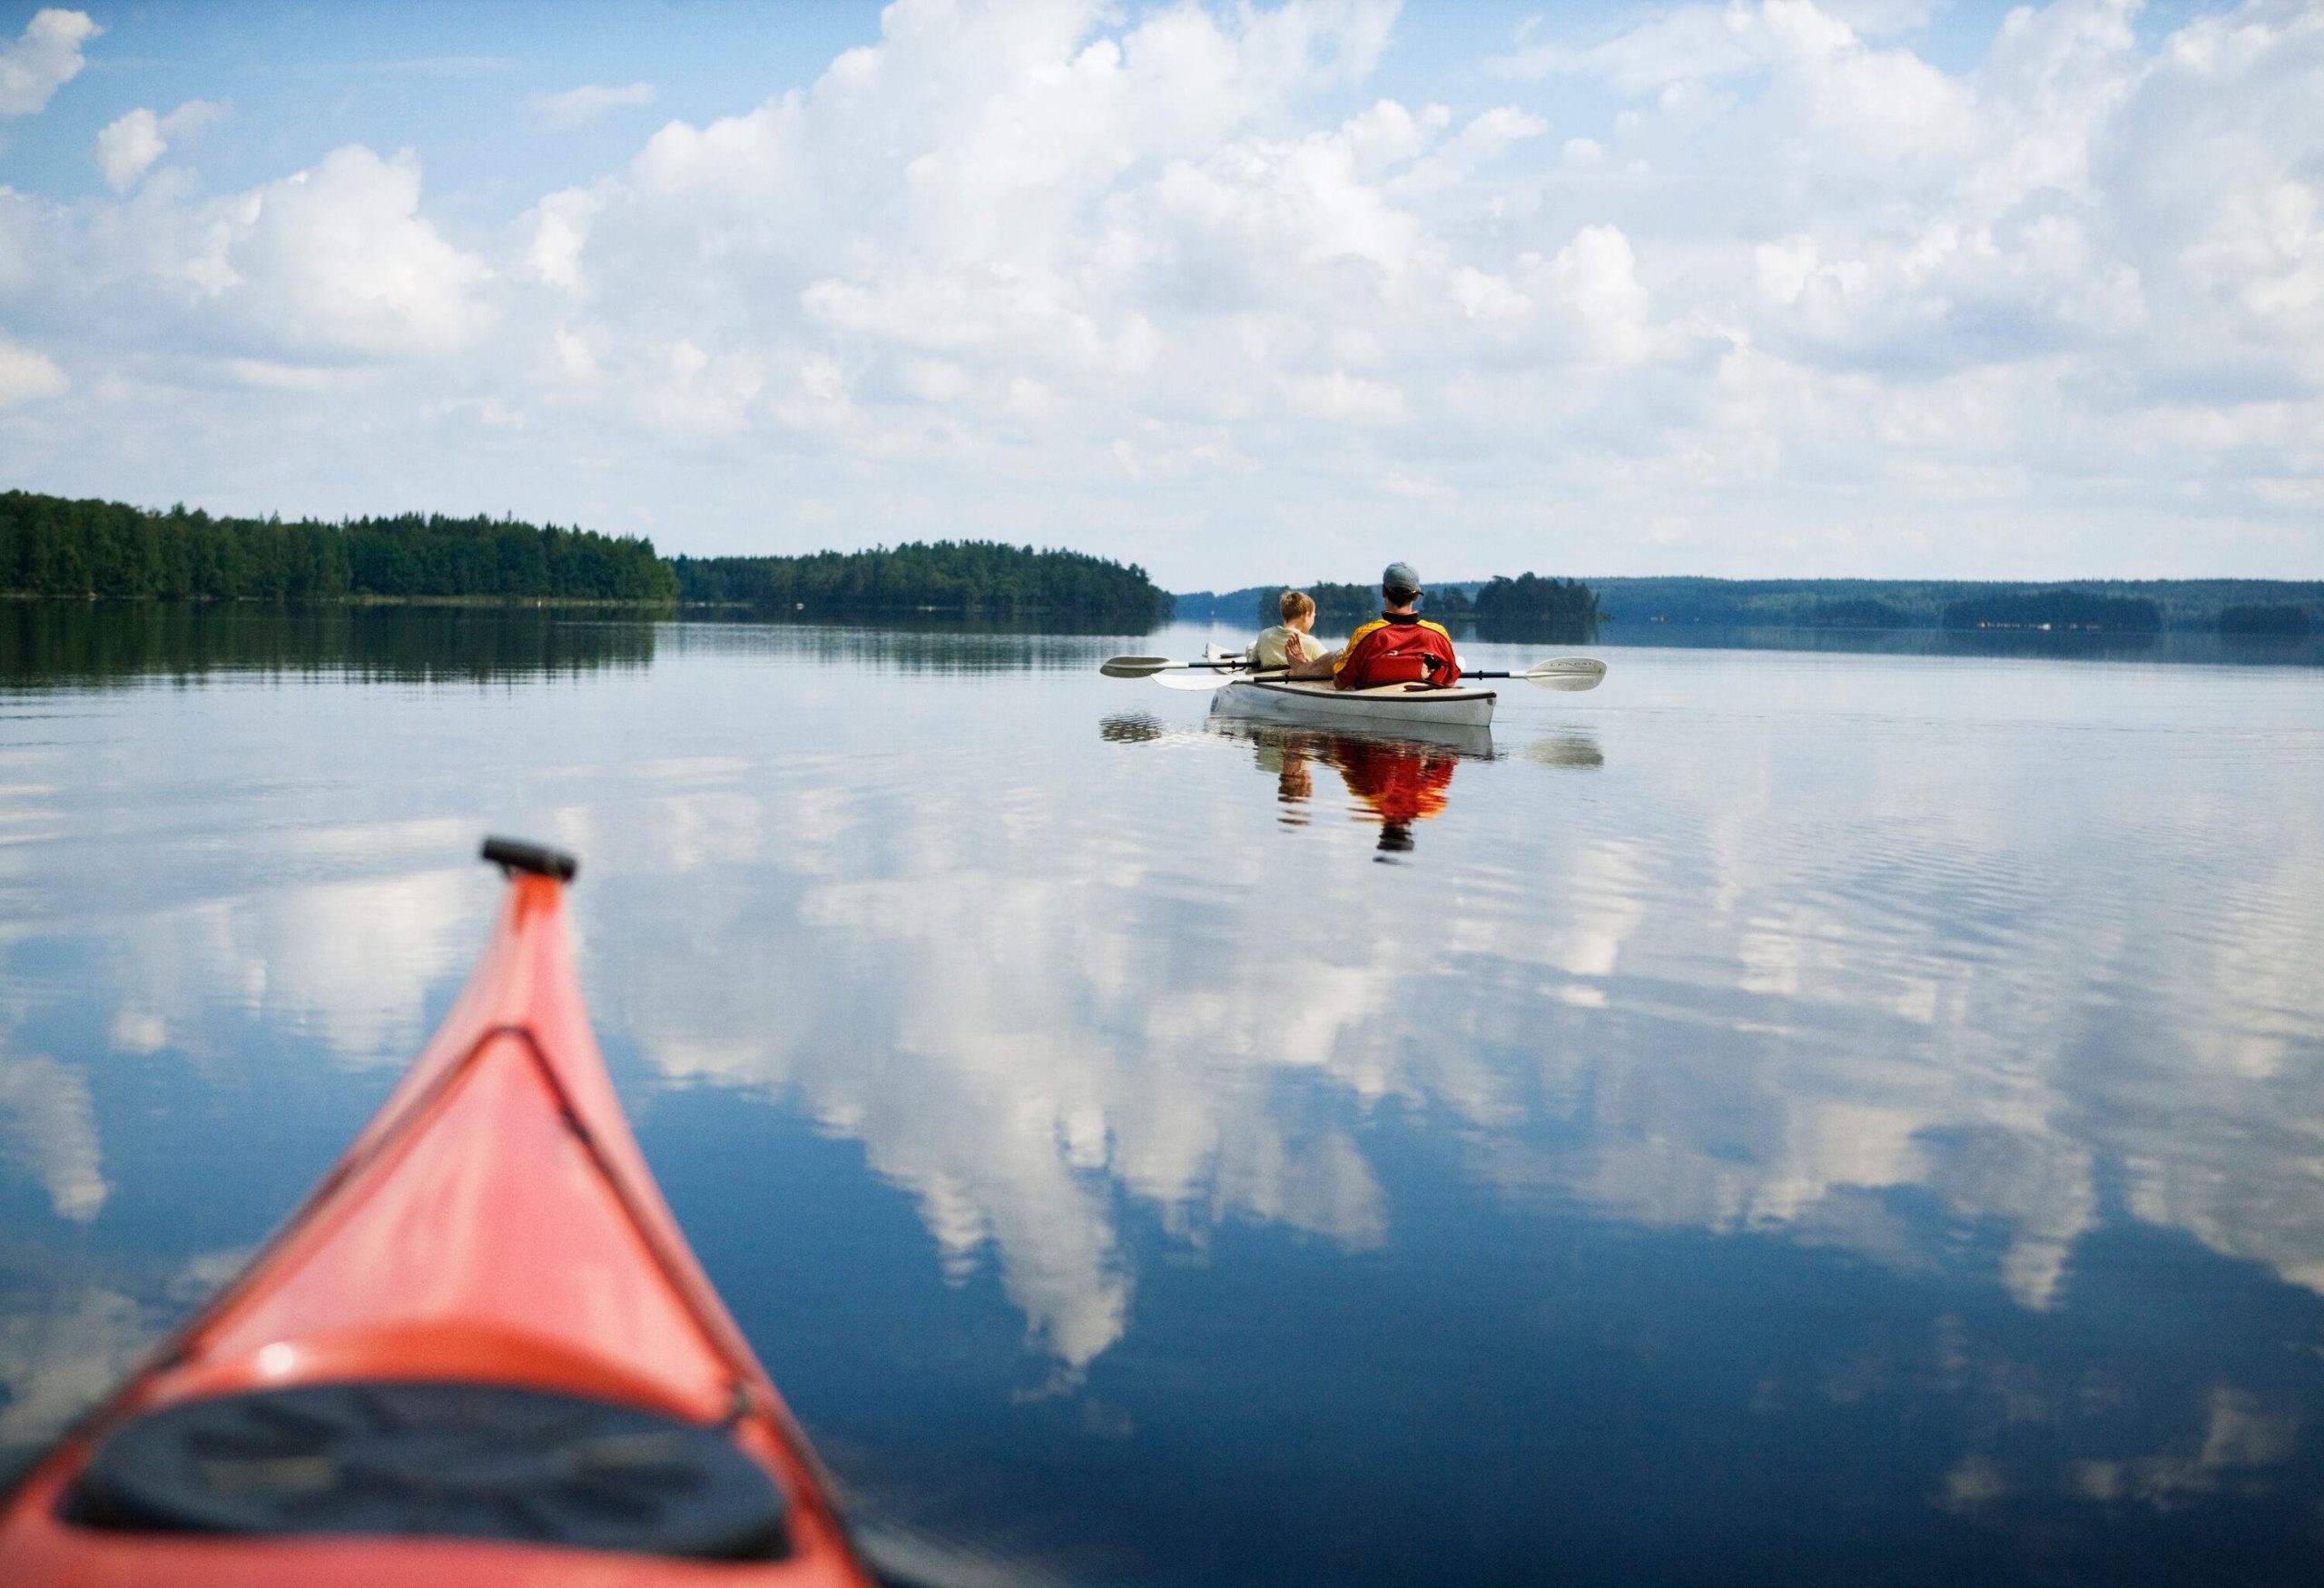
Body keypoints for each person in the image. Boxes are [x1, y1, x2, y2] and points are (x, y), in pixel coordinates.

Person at [1288, 562, 1462, 689]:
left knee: (1340, 655)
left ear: (1383, 591)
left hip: (1372, 693)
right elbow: (1450, 681)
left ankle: (1304, 667)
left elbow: (1339, 683)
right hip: (1421, 693)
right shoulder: (1438, 634)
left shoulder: (1367, 634)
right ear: (1416, 596)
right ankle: (1305, 666)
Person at [1248, 589, 1336, 671]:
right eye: (1313, 616)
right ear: (1306, 615)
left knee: (1251, 646)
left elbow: (1252, 662)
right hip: (1297, 681)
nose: (1314, 619)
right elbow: (1333, 665)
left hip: (1269, 678)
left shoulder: (1264, 635)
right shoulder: (1311, 642)